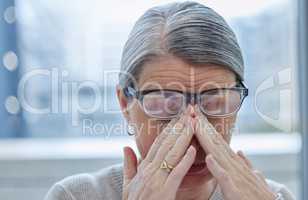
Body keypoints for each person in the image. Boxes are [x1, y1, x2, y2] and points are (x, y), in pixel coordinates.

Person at [45, 1, 295, 200]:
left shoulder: (274, 197)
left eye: (215, 102)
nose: (193, 134)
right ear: (125, 104)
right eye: (165, 104)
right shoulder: (74, 196)